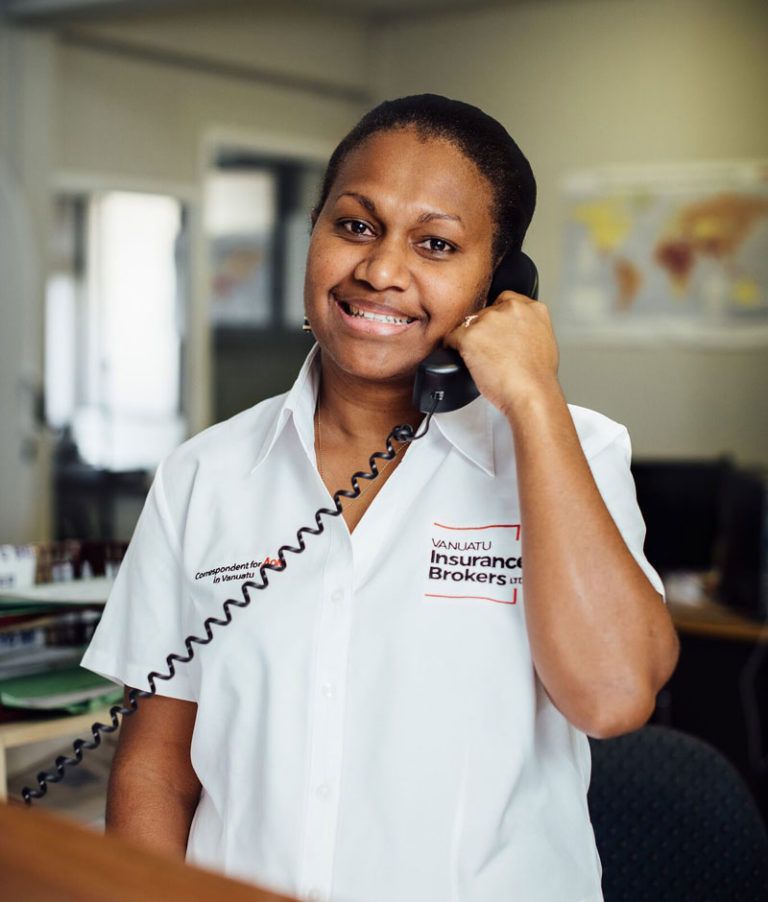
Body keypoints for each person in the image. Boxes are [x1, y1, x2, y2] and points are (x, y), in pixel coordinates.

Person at [82, 94, 679, 902]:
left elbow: (612, 698)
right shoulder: (206, 473)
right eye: (355, 226)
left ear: (500, 284)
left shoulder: (576, 453)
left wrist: (533, 398)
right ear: (315, 232)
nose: (380, 270)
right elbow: (156, 771)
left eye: (436, 244)